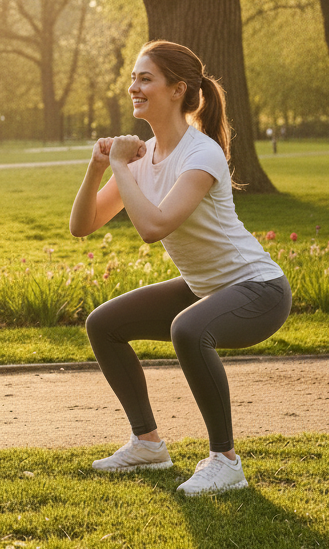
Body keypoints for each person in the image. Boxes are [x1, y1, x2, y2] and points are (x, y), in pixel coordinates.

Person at [69, 40, 292, 496]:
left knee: (188, 330)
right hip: (205, 287)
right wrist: (98, 168)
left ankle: (226, 462)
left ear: (178, 90)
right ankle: (148, 445)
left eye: (145, 78)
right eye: (133, 77)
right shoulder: (143, 155)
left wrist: (120, 166)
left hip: (259, 289)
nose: (134, 86)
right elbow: (83, 225)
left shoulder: (201, 153)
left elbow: (153, 227)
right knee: (104, 324)